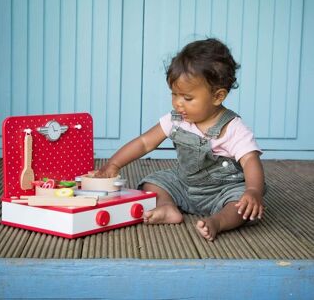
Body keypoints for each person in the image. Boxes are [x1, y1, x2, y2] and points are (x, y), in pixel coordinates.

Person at [96, 38, 265, 241]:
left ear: (218, 96)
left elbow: (250, 160)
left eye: (187, 98)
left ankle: (218, 221)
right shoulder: (176, 120)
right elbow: (145, 142)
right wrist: (114, 164)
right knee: (152, 182)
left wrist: (253, 190)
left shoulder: (232, 127)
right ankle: (168, 207)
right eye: (174, 94)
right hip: (185, 185)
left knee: (240, 206)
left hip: (222, 191)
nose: (178, 103)